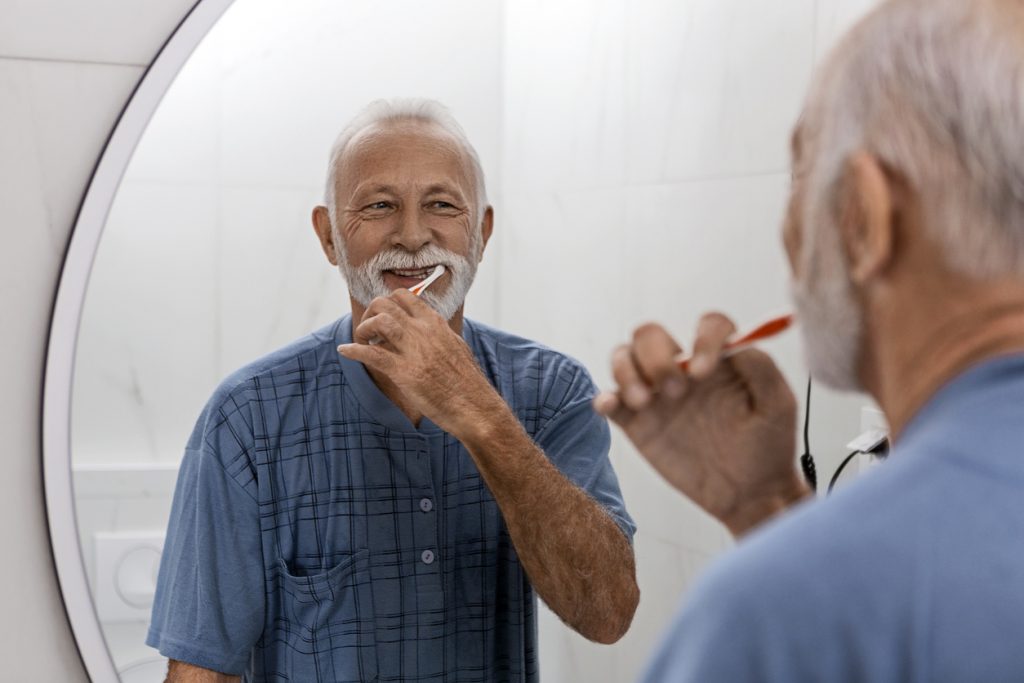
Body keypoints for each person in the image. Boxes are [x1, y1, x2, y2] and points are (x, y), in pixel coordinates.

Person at [596, 0, 1024, 680]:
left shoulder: (771, 617)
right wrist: (768, 508)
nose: (790, 240)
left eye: (800, 178)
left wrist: (802, 578)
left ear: (863, 219)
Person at [147, 99, 638, 682]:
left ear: (480, 233)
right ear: (329, 237)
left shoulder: (553, 391)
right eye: (380, 206)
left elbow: (607, 614)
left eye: (442, 205)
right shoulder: (246, 418)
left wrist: (478, 415)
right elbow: (201, 671)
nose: (411, 236)